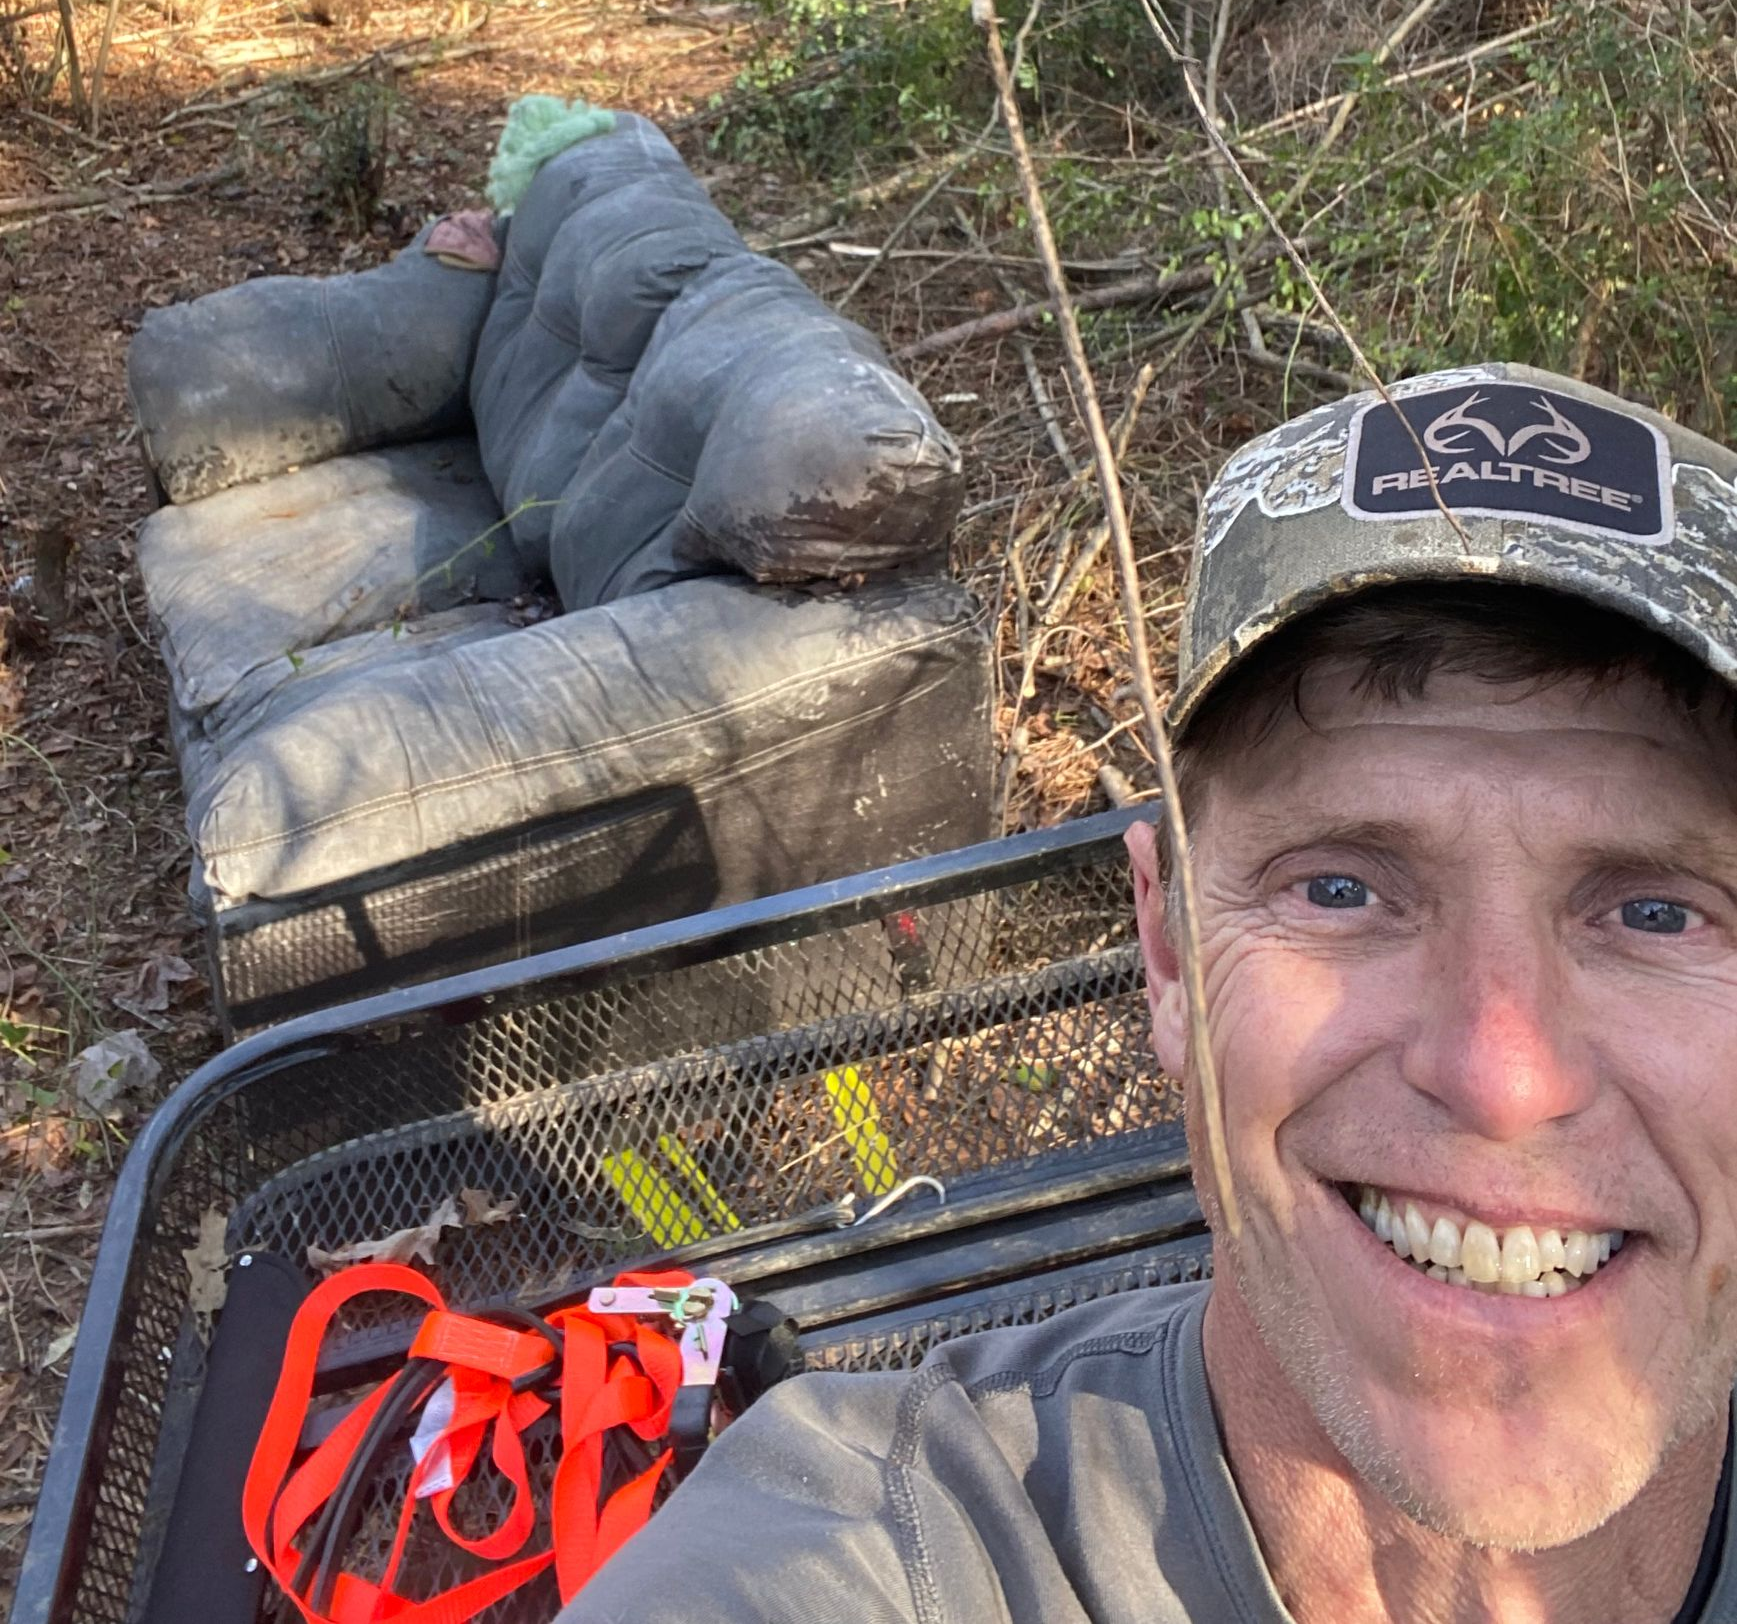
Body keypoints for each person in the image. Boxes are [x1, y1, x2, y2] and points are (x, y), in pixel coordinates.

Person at [561, 363, 1737, 1623]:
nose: (1504, 1074)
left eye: (1657, 912)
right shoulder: (867, 1560)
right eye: (1338, 889)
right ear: (1168, 949)